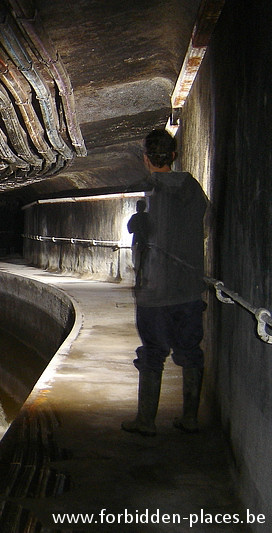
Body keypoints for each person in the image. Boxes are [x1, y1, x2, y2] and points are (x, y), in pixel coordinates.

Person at [121, 129, 208, 437]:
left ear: (146, 159)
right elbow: (204, 227)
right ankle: (190, 418)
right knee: (190, 351)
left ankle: (146, 421)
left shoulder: (146, 190)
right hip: (188, 288)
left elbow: (144, 237)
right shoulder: (193, 189)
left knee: (153, 352)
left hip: (153, 290)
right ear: (173, 156)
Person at [127, 198, 150, 287]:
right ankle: (143, 281)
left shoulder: (135, 217)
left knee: (138, 263)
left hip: (137, 242)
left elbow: (130, 229)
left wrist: (137, 230)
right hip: (146, 242)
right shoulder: (148, 217)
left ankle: (138, 281)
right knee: (144, 263)